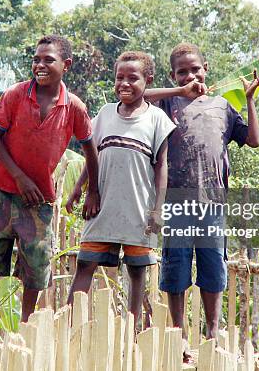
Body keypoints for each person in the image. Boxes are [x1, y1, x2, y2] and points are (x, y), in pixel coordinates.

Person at [0, 35, 100, 329]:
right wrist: (19, 177)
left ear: (66, 65)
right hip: (0, 189)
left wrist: (91, 191)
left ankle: (25, 325)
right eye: (36, 59)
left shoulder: (74, 107)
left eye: (49, 59)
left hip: (38, 200)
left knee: (36, 264)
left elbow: (91, 151)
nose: (40, 64)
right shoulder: (16, 95)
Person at [144, 43, 259, 356]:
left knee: (213, 268)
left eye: (195, 69)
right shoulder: (166, 106)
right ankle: (179, 334)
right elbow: (139, 95)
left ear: (206, 68)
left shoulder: (222, 106)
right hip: (176, 202)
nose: (190, 75)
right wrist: (178, 90)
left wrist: (249, 99)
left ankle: (212, 331)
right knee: (176, 268)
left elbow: (252, 140)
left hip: (212, 201)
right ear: (173, 76)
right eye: (182, 72)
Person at [66, 51, 176, 326]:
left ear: (147, 81)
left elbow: (161, 166)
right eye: (119, 77)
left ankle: (132, 328)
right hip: (102, 203)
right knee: (85, 263)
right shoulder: (104, 114)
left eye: (133, 78)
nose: (124, 84)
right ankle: (66, 324)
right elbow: (93, 156)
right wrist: (82, 189)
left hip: (138, 208)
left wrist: (158, 210)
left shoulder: (157, 120)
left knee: (137, 271)